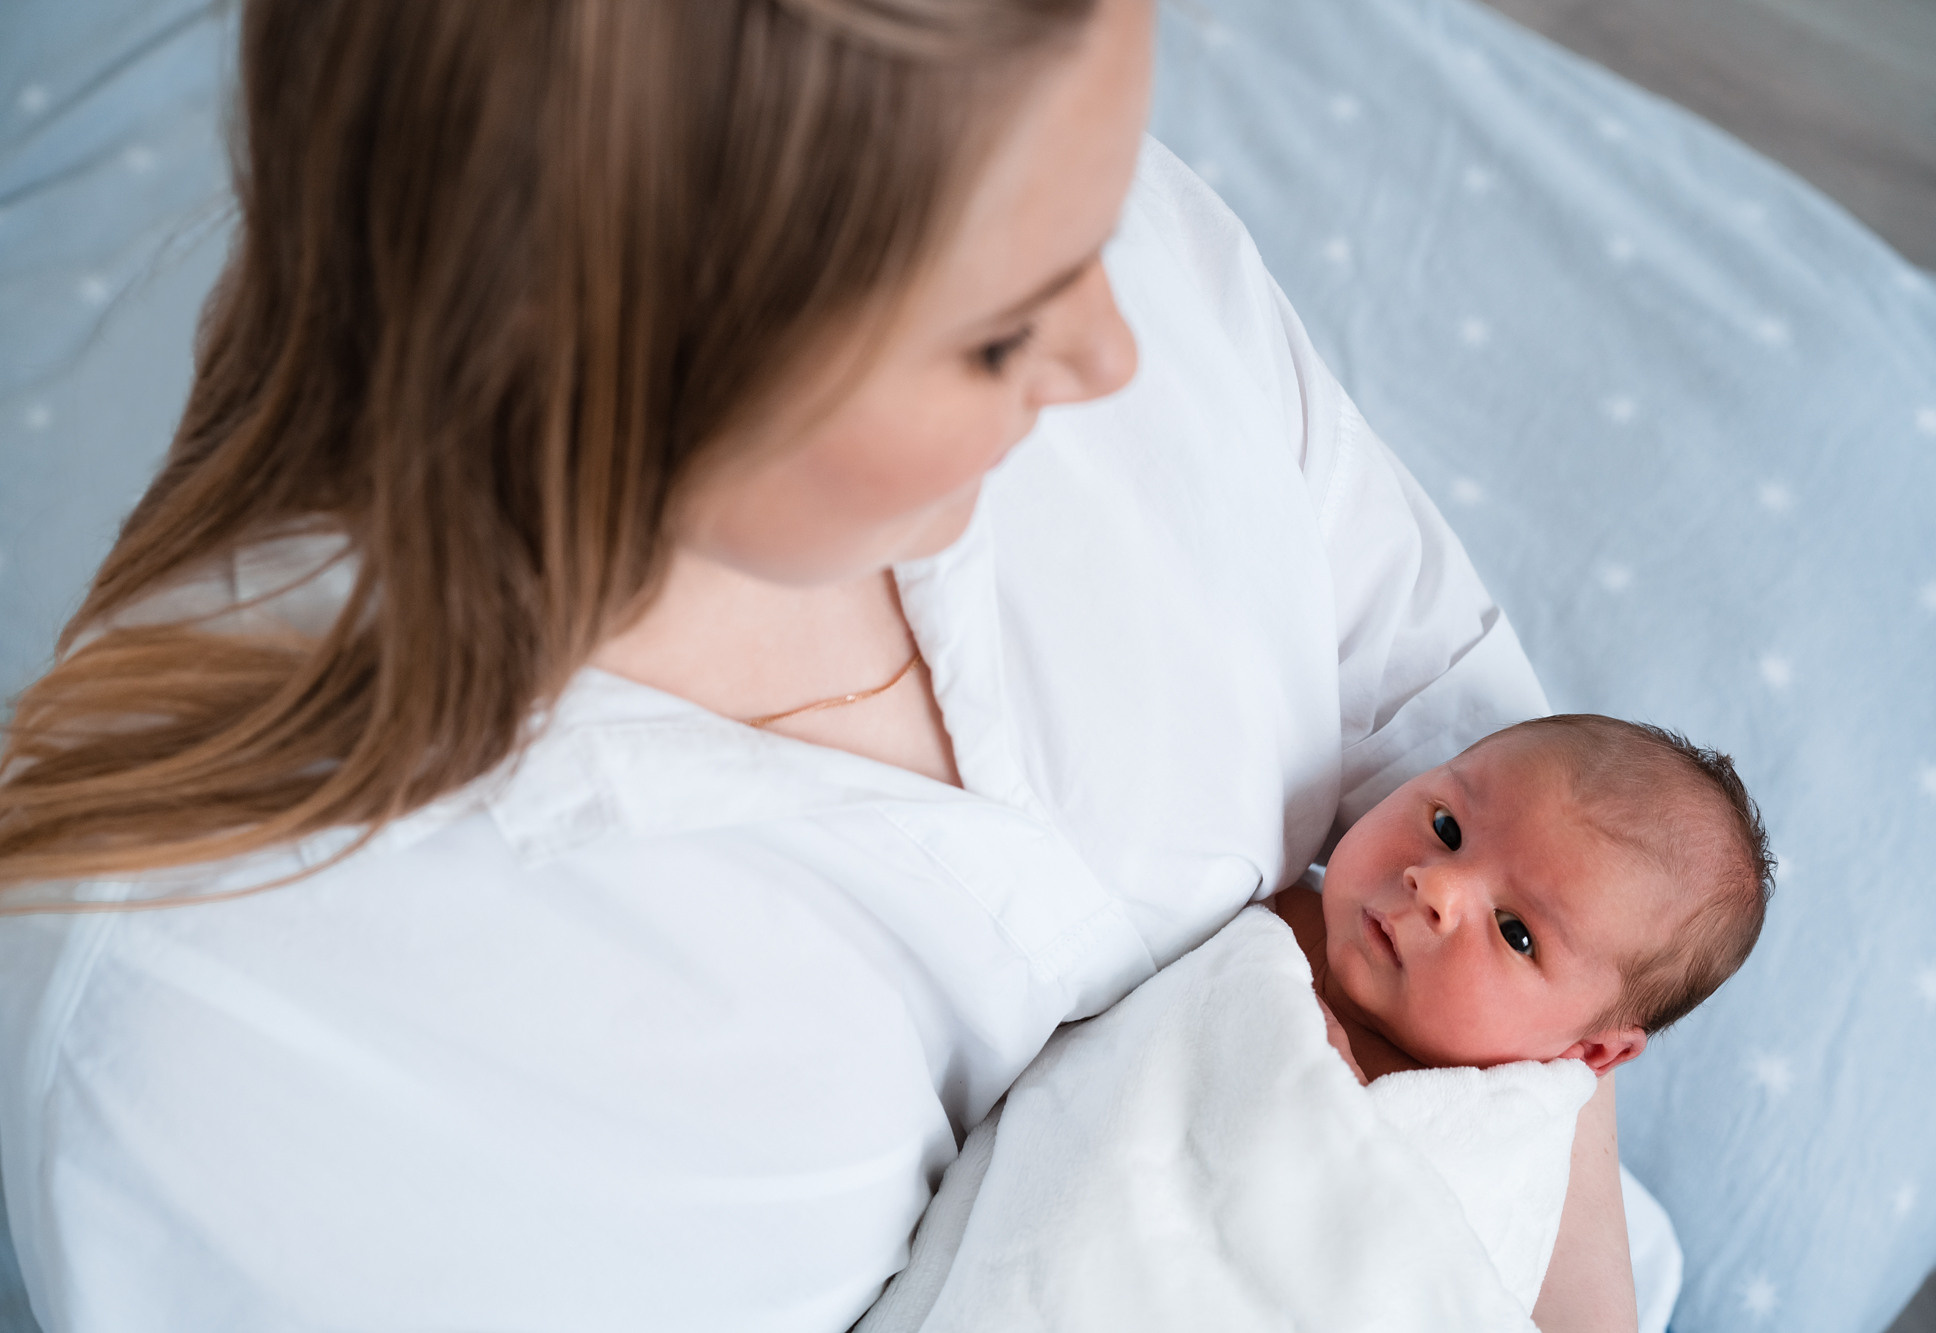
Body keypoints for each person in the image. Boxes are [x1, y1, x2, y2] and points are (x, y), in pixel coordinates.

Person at [0, 1, 1627, 1329]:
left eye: (1111, 195)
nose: (1110, 350)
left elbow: (1512, 772)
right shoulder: (244, 1044)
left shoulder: (1030, 185)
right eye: (997, 333)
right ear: (642, 356)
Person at [1273, 713, 1773, 1086]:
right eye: (1446, 828)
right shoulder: (1255, 897)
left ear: (1591, 1051)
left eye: (1517, 933)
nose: (1437, 888)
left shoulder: (1484, 1143)